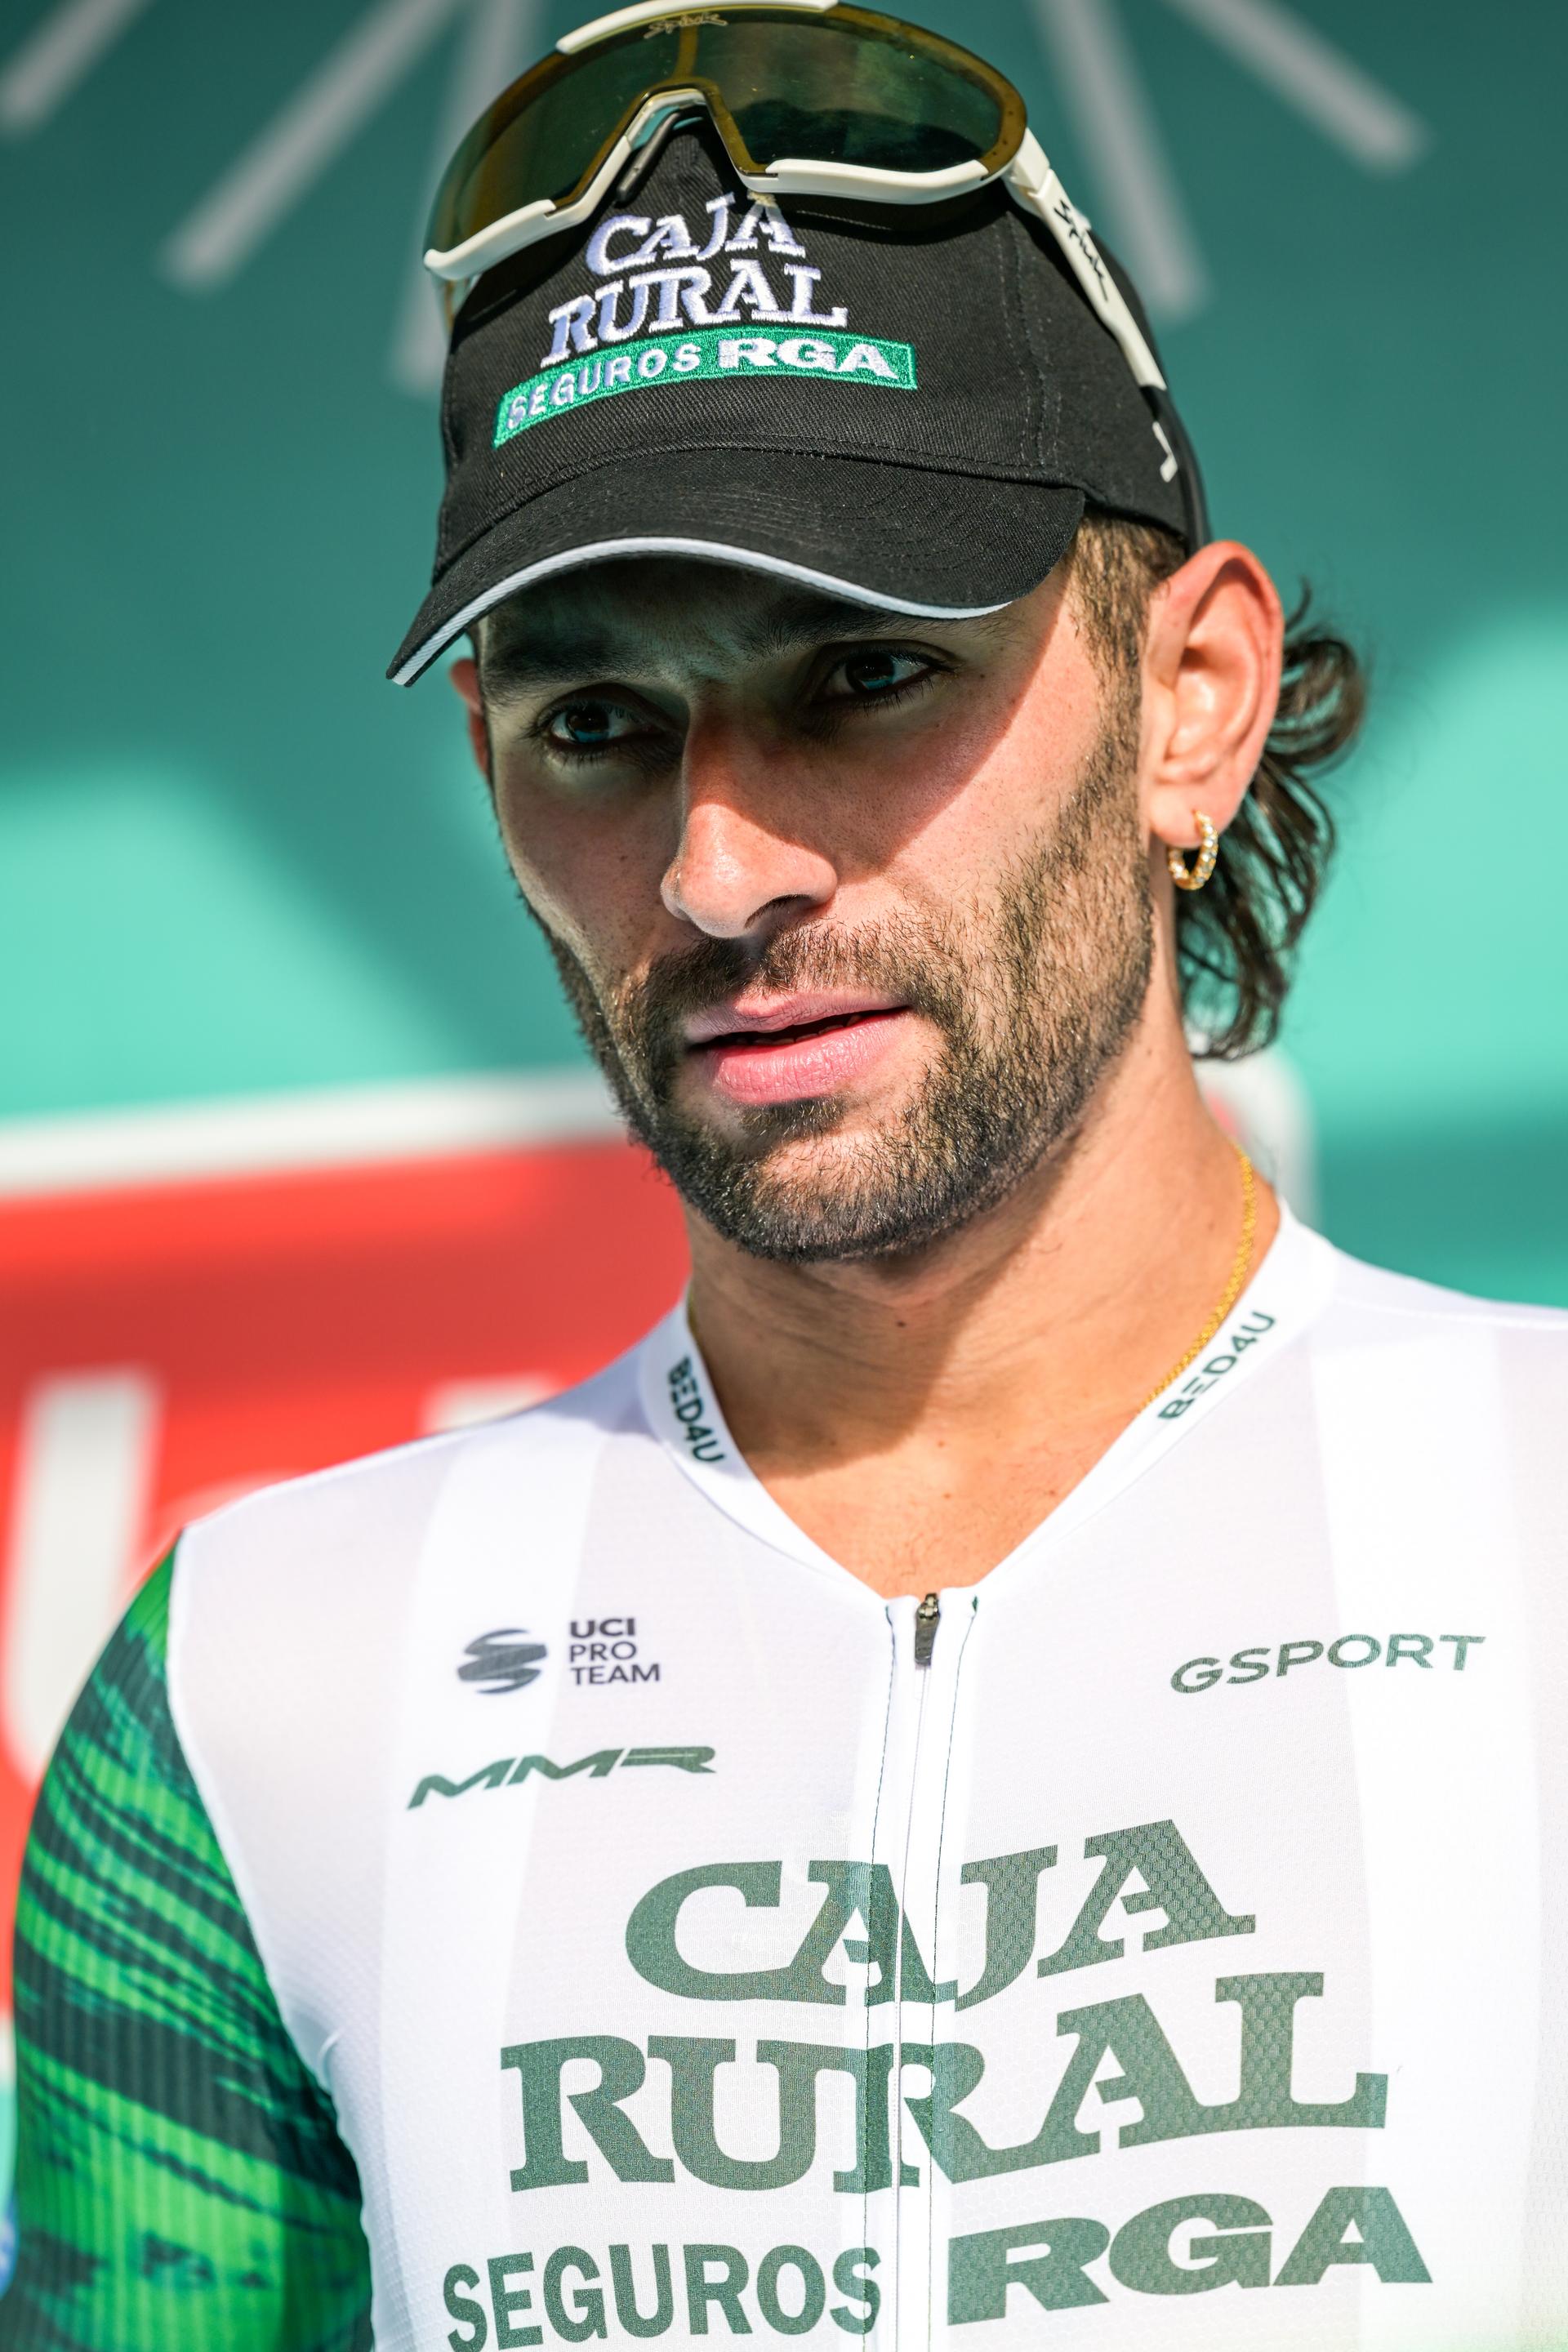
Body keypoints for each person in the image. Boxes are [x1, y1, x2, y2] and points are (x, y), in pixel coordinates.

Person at [4, 6, 1565, 2348]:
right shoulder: (257, 1684)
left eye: (863, 679)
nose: (720, 869)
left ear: (1192, 701)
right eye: (597, 726)